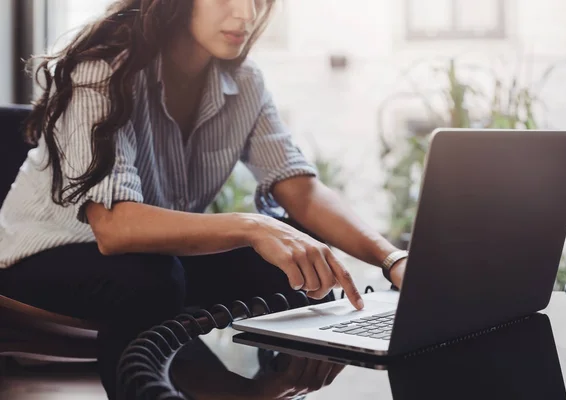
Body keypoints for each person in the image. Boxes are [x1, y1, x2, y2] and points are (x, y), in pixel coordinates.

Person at [0, 0, 407, 398]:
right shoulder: (99, 70)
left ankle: (269, 389)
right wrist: (253, 225)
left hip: (156, 258)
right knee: (151, 280)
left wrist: (393, 260)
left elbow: (299, 188)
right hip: (42, 256)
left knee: (291, 259)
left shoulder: (244, 81)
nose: (246, 14)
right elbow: (114, 228)